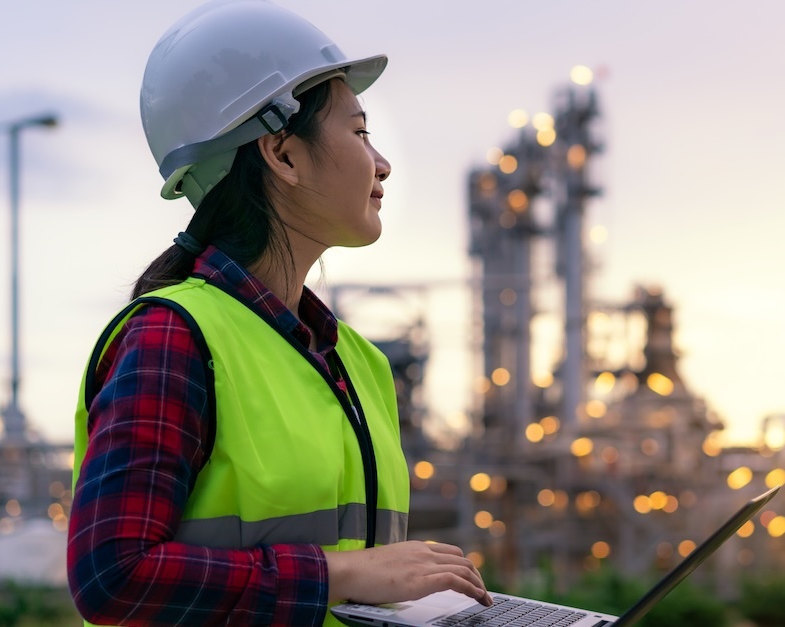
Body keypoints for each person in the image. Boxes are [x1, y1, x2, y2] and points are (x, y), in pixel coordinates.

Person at [66, 2, 491, 625]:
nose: (381, 163)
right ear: (283, 154)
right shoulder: (173, 337)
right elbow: (113, 576)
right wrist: (342, 574)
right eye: (360, 131)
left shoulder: (359, 363)